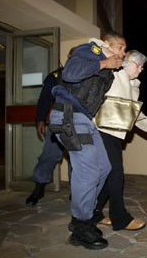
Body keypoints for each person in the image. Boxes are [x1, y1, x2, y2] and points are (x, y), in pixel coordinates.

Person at [49, 31, 125, 250]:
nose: (123, 53)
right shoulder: (90, 50)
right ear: (107, 45)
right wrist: (103, 62)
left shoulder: (108, 70)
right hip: (69, 115)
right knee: (88, 171)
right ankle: (81, 227)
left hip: (84, 120)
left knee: (104, 168)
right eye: (120, 48)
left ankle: (85, 217)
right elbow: (71, 73)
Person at [93, 50, 147, 231]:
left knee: (109, 173)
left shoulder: (133, 85)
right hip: (101, 130)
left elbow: (133, 112)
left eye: (142, 66)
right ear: (126, 62)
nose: (141, 69)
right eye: (138, 65)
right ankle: (120, 218)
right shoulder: (114, 75)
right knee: (116, 173)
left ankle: (93, 212)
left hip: (115, 133)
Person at [26, 47, 75, 207]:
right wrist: (40, 119)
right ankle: (38, 188)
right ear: (68, 55)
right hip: (58, 120)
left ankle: (77, 191)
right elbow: (44, 99)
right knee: (49, 155)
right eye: (74, 54)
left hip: (78, 121)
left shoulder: (88, 75)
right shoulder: (55, 76)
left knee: (77, 158)